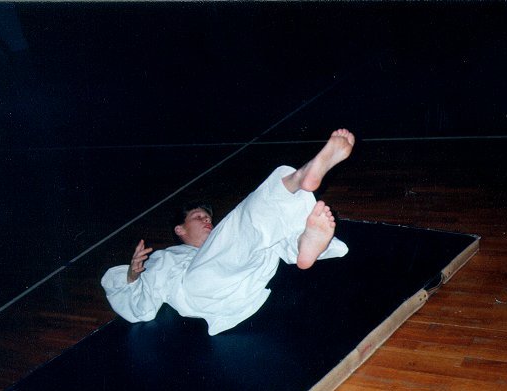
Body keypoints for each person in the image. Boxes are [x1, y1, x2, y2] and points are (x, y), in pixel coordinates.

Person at [101, 129, 356, 335]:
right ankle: (298, 179)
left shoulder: (228, 242)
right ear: (179, 229)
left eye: (208, 217)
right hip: (200, 289)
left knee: (263, 236)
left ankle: (304, 242)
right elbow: (141, 310)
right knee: (244, 220)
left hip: (247, 285)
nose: (207, 220)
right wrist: (132, 277)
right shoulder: (166, 258)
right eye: (198, 217)